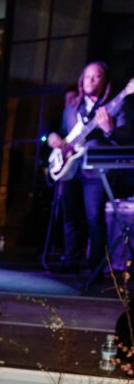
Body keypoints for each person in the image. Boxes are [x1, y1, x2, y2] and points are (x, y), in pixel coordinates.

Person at [47, 61, 130, 275]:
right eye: (87, 76)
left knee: (93, 217)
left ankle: (96, 265)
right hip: (69, 169)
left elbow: (127, 139)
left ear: (105, 81)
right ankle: (71, 260)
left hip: (95, 171)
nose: (91, 80)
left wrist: (110, 130)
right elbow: (63, 134)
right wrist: (53, 139)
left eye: (97, 76)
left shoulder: (116, 105)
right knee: (70, 216)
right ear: (81, 81)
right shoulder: (72, 107)